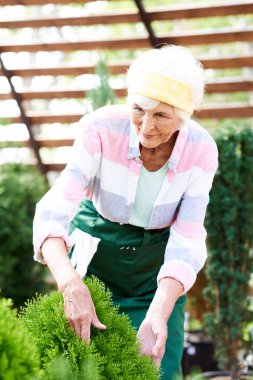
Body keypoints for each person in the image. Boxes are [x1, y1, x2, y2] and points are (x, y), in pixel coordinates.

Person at [33, 44, 218, 380]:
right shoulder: (100, 128)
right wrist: (70, 283)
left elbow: (188, 237)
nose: (146, 127)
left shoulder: (201, 150)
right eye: (138, 109)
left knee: (159, 370)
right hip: (95, 267)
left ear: (184, 115)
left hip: (157, 277)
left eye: (161, 115)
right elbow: (53, 210)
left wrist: (159, 312)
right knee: (87, 370)